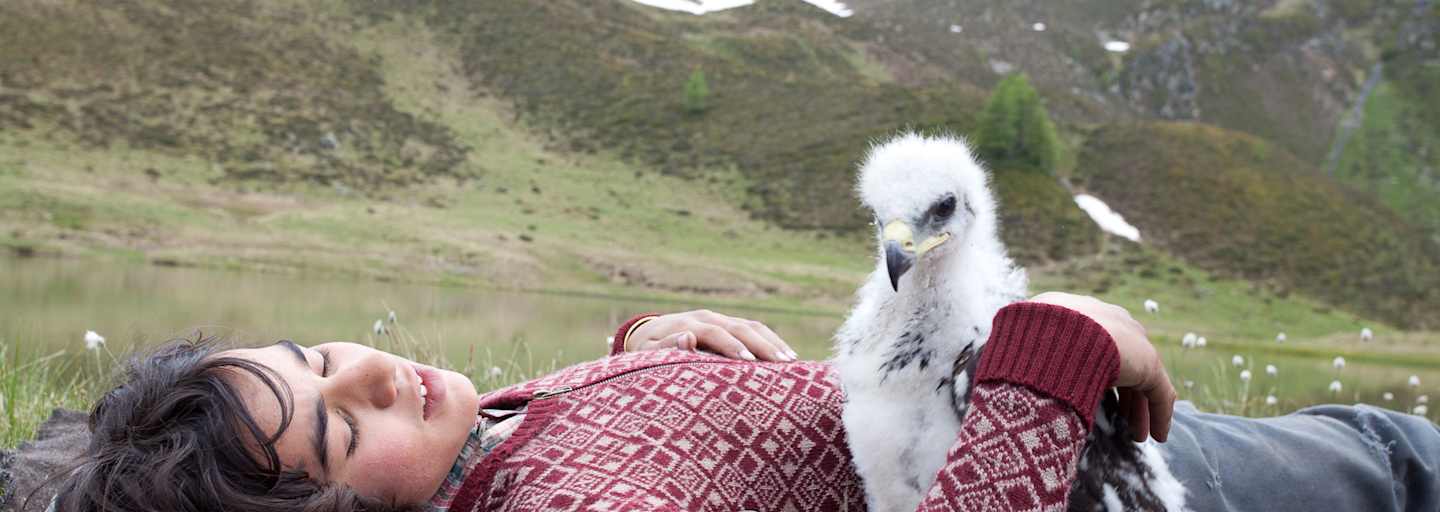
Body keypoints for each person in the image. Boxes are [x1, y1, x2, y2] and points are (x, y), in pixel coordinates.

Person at [45, 293, 1440, 511]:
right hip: (1118, 483)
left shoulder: (484, 444)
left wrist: (656, 345)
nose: (367, 370)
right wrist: (1059, 349)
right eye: (344, 428)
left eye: (317, 355)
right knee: (1393, 464)